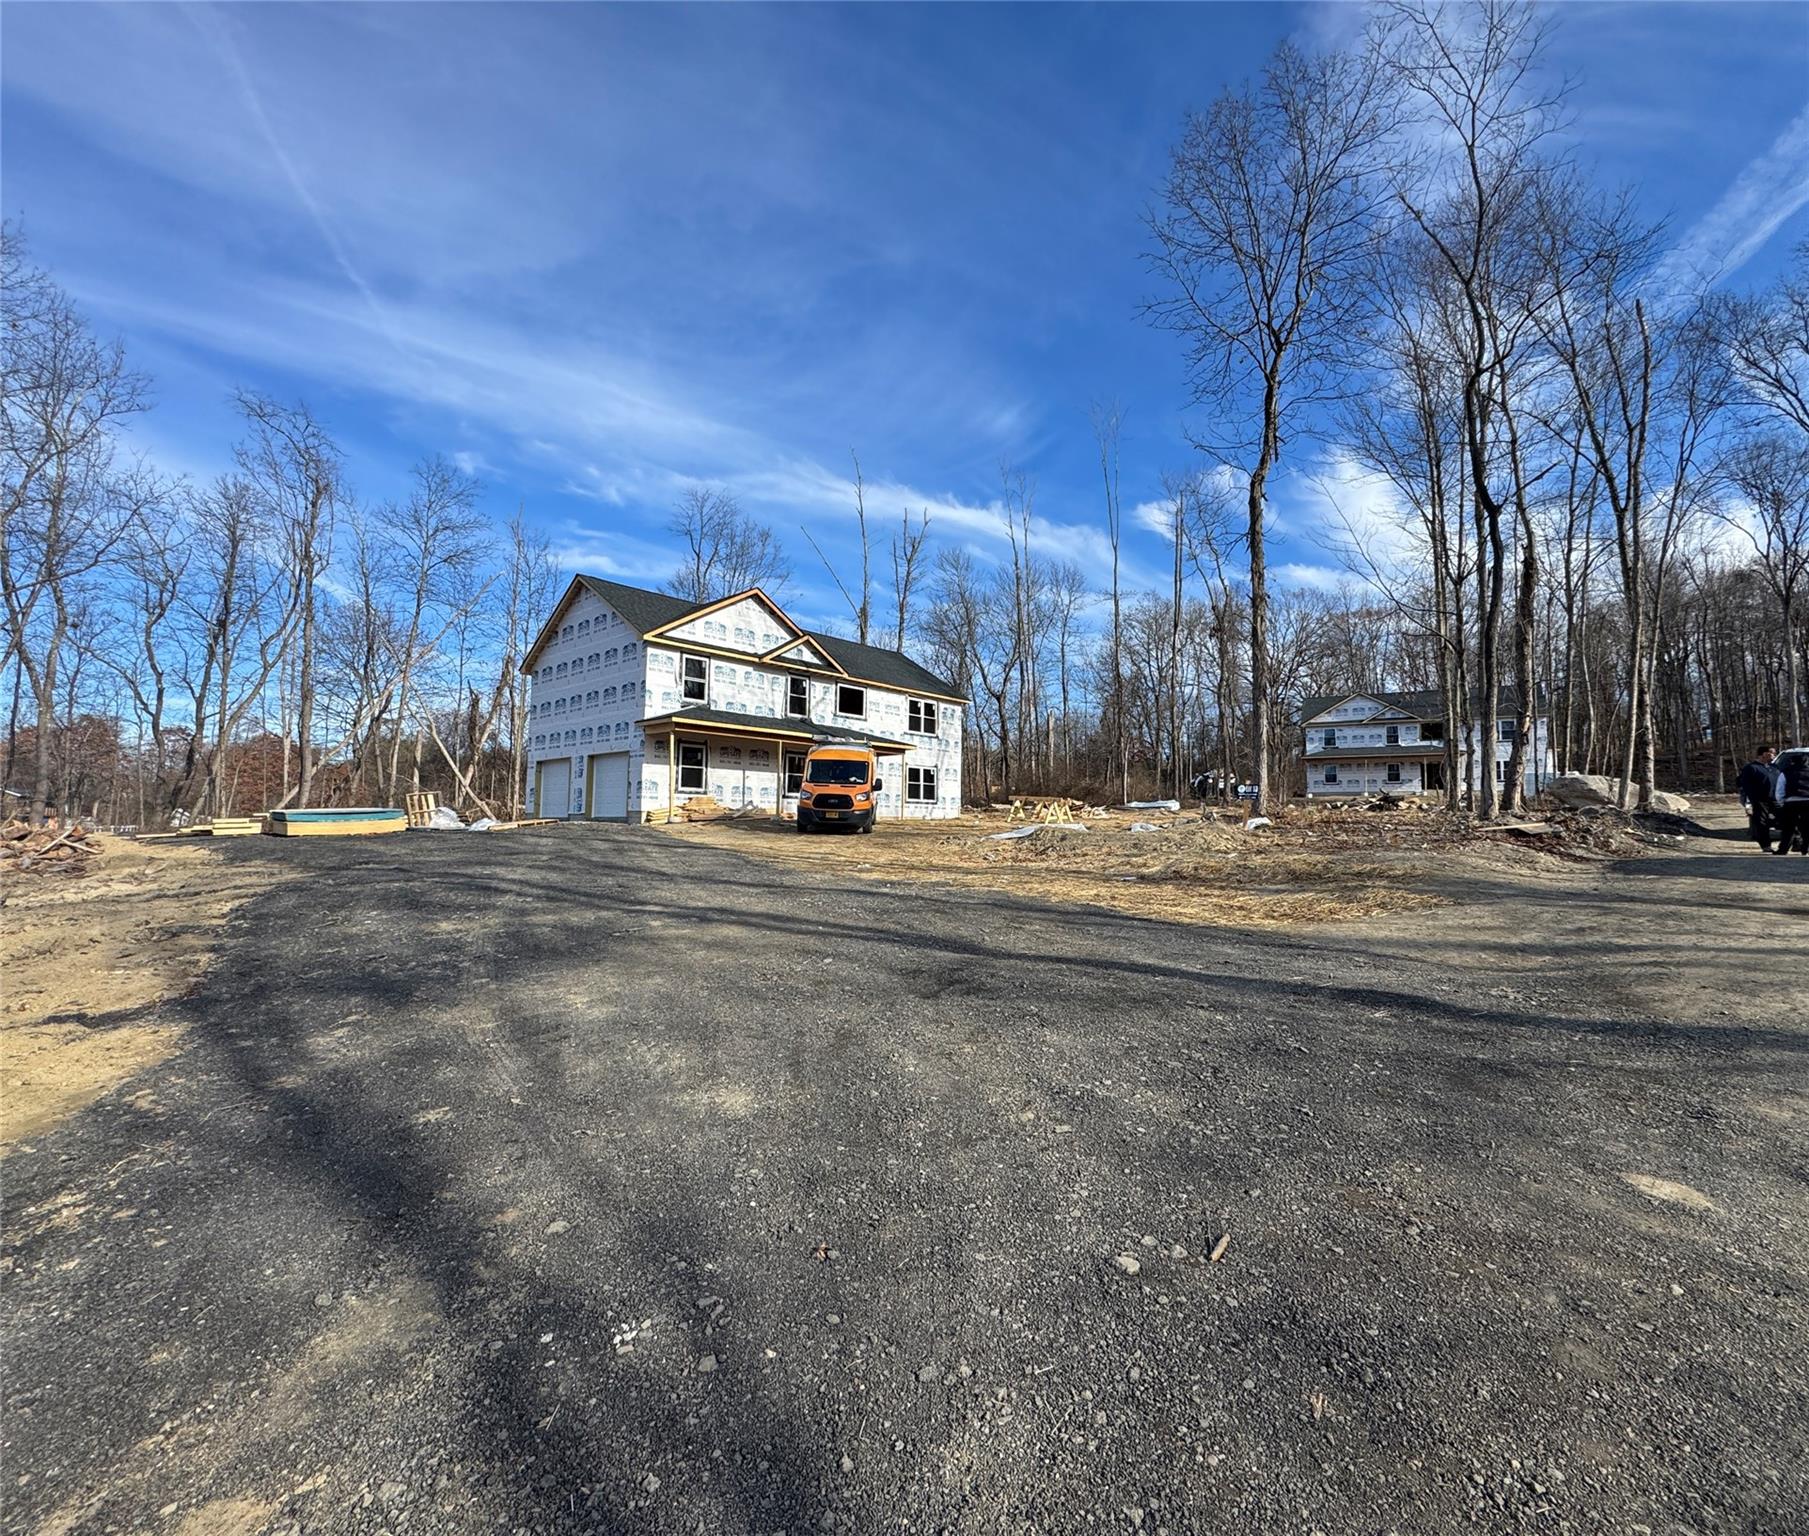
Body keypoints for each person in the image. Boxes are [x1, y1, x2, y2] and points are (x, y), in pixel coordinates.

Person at [1738, 746, 1783, 852]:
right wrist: (1751, 800)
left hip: (1776, 799)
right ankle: (1766, 845)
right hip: (1760, 800)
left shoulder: (1775, 767)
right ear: (1763, 754)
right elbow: (1745, 785)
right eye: (1772, 752)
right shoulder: (1751, 768)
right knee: (1762, 823)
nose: (1774, 754)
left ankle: (1794, 843)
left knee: (1786, 819)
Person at [1772, 750, 1809, 857]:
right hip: (1808, 802)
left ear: (1792, 762)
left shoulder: (1786, 772)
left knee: (1788, 828)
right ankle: (1805, 849)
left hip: (1791, 802)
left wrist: (1781, 802)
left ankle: (1783, 850)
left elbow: (1779, 790)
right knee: (1807, 828)